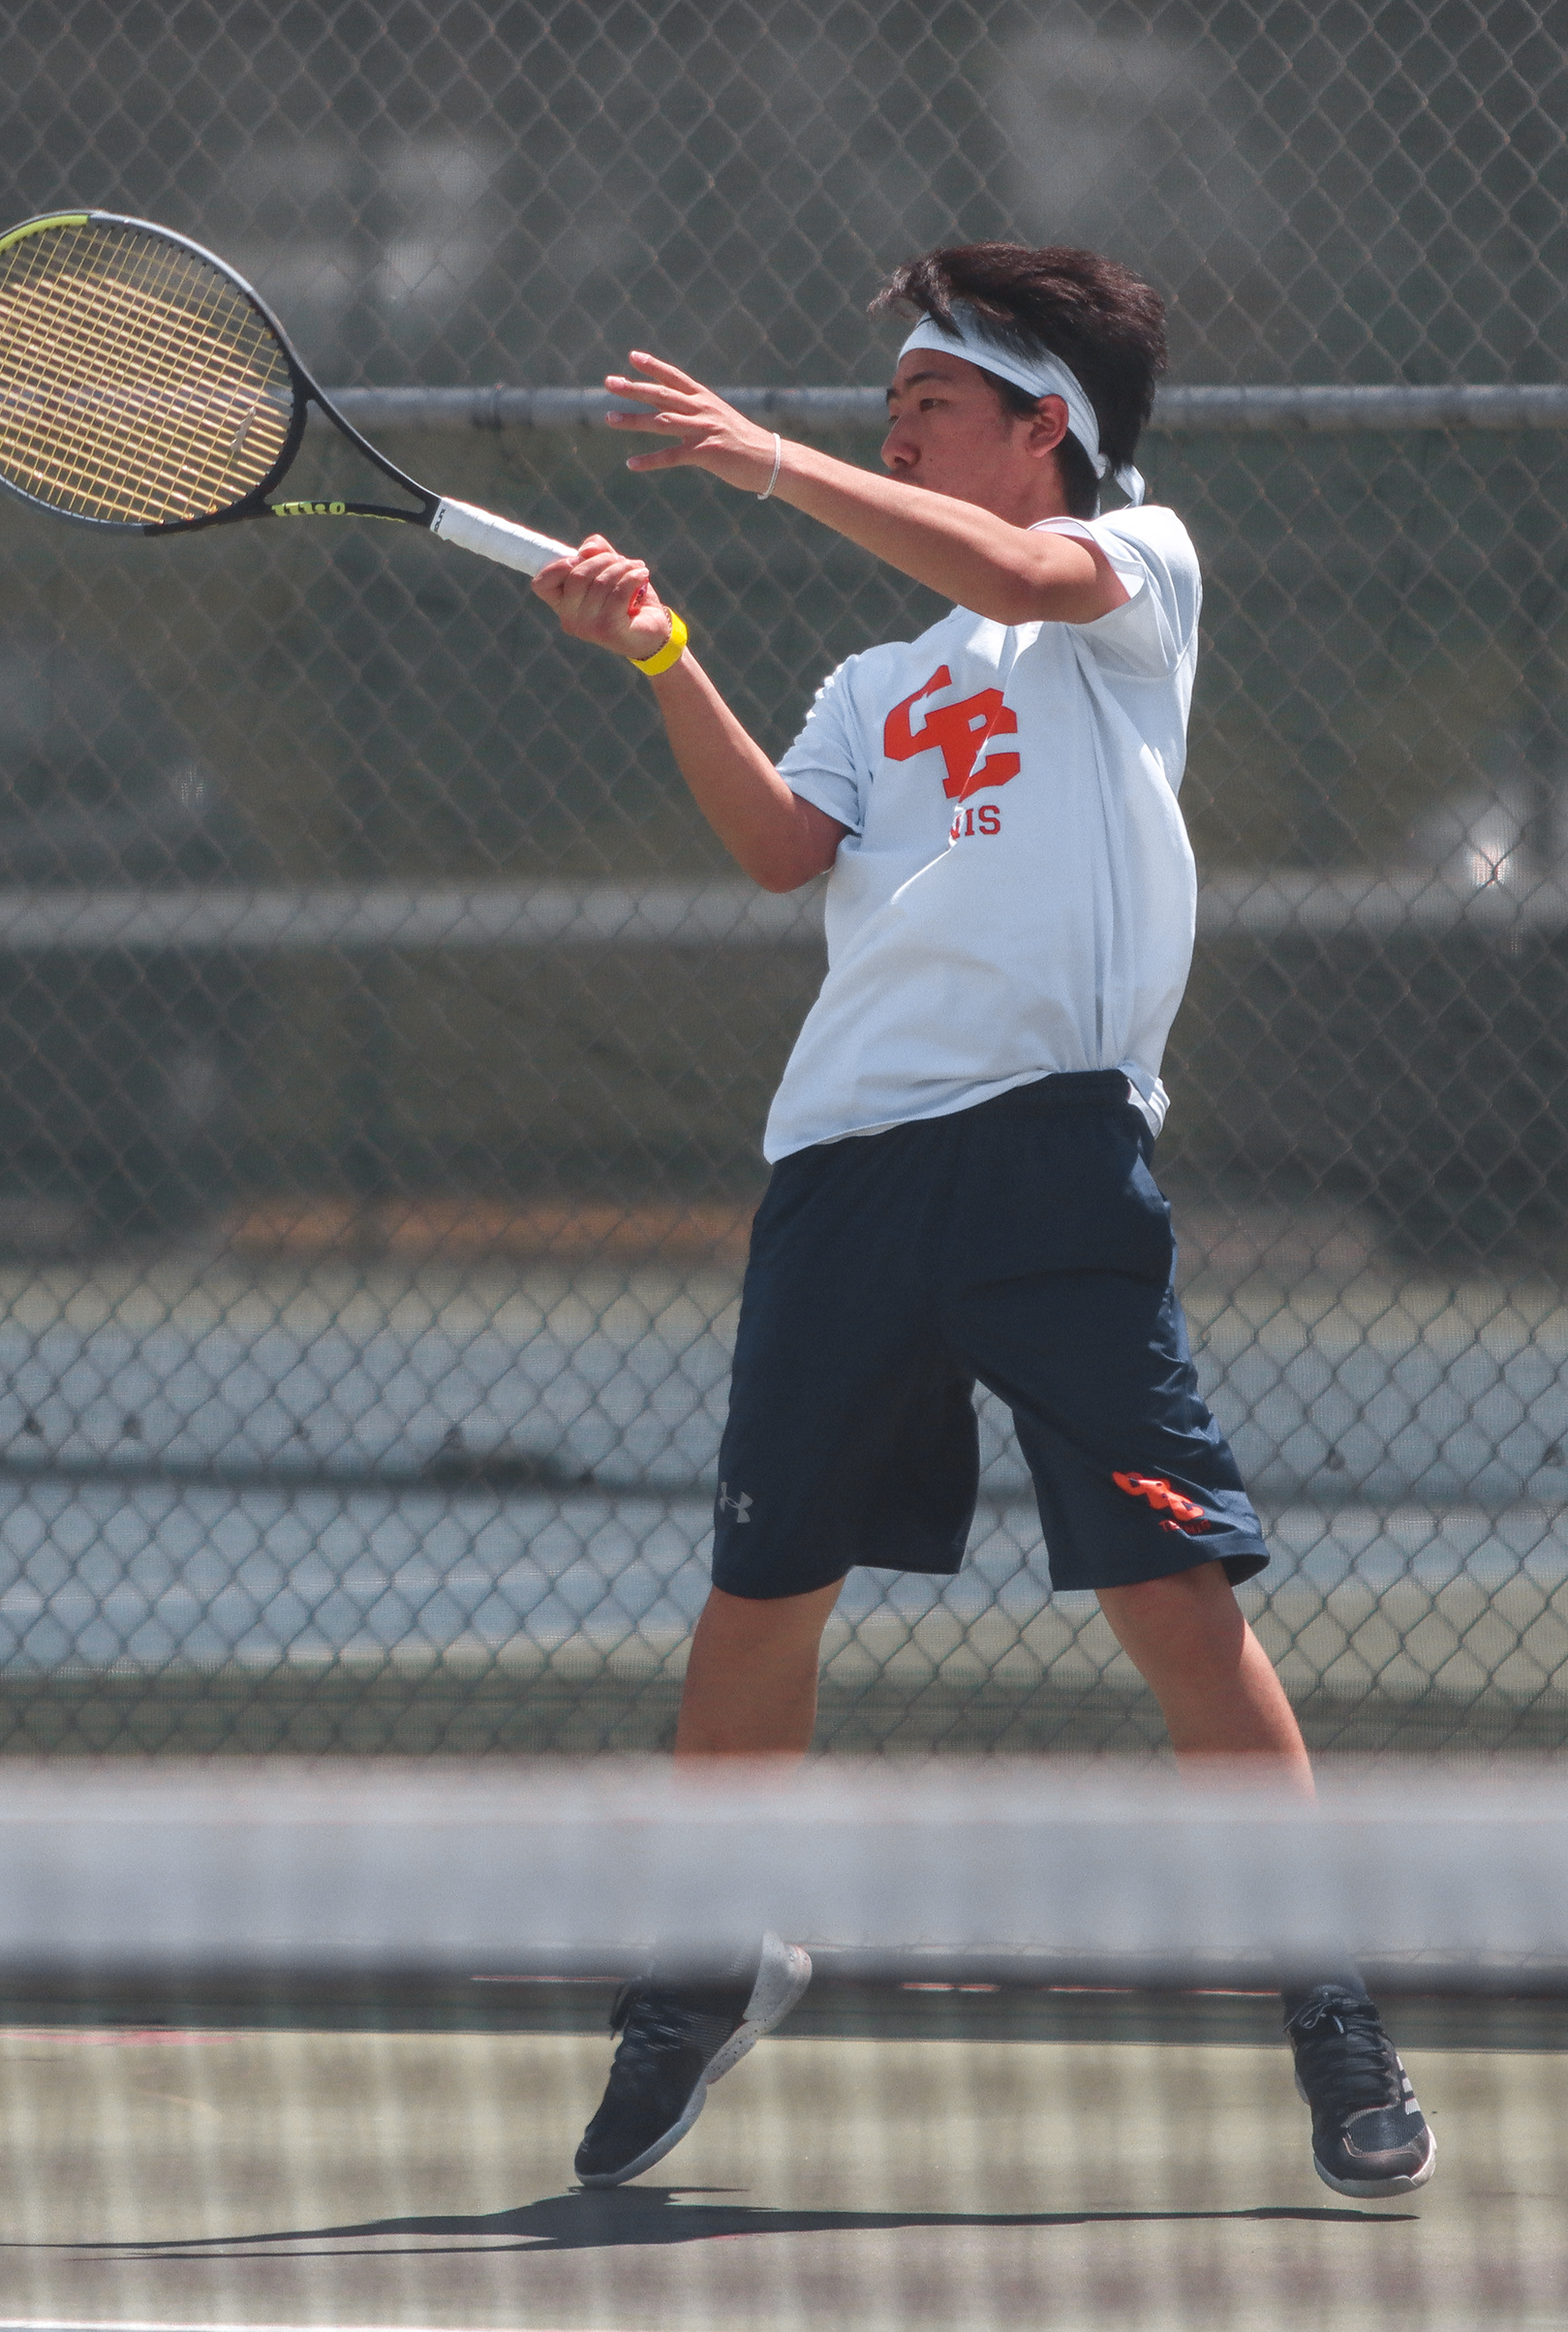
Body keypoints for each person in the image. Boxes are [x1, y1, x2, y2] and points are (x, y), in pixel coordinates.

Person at [527, 243, 1433, 2203]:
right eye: (888, 411)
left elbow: (1022, 576)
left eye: (930, 405)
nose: (896, 431)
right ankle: (704, 1960)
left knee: (1172, 1600)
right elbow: (782, 850)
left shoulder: (1135, 576)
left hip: (1053, 1168)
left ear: (1047, 431)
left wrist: (763, 461)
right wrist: (661, 652)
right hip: (845, 1169)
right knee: (760, 1603)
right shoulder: (874, 684)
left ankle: (1332, 2004)